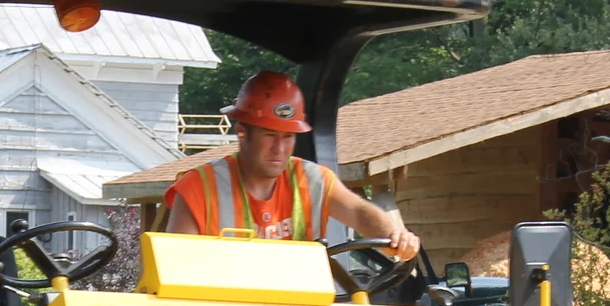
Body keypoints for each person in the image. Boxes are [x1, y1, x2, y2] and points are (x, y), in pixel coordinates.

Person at [163, 70, 421, 258]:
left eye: (288, 136)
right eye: (269, 135)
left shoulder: (312, 179)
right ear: (243, 133)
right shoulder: (199, 188)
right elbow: (176, 266)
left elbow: (359, 213)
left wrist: (394, 235)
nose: (280, 148)